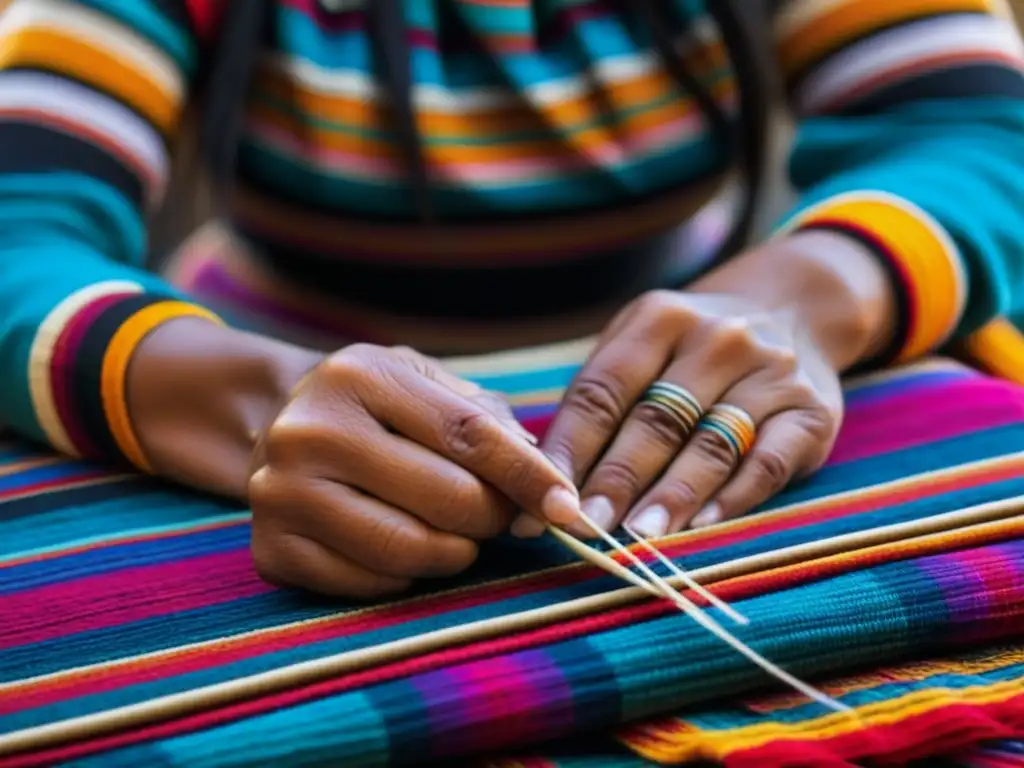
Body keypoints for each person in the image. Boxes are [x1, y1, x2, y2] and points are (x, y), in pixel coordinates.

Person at [0, 0, 1022, 599]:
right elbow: (18, 221)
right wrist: (263, 404)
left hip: (716, 337)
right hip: (269, 367)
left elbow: (977, 130)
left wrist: (798, 299)